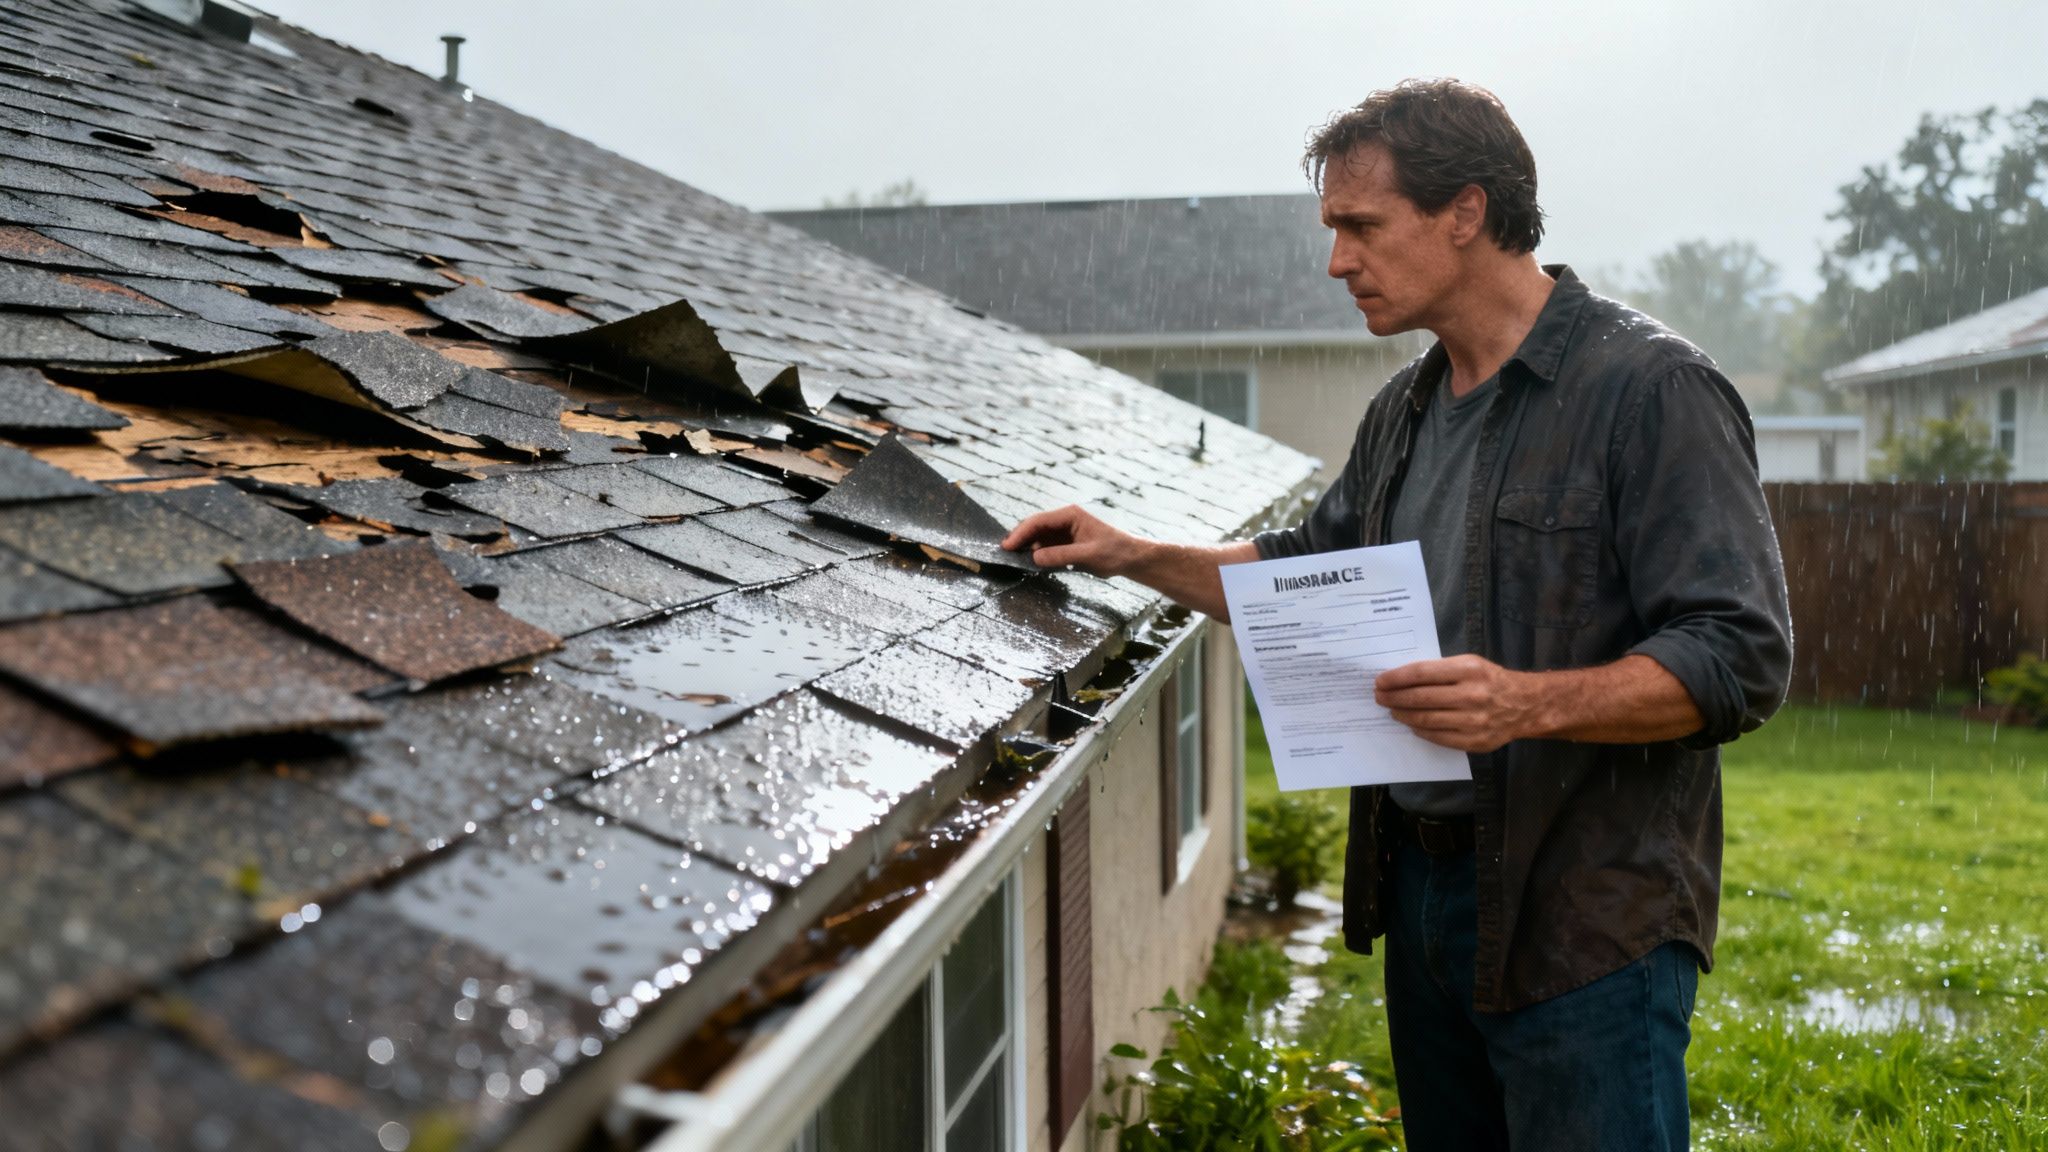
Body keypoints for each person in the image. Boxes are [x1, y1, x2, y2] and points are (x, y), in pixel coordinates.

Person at [1002, 78, 1793, 1152]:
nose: (1336, 262)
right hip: (1424, 896)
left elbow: (1736, 656)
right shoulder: (1404, 409)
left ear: (1464, 212)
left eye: (1359, 226)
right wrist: (1131, 553)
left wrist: (1523, 704)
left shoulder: (1648, 390)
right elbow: (1307, 571)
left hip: (1584, 910)